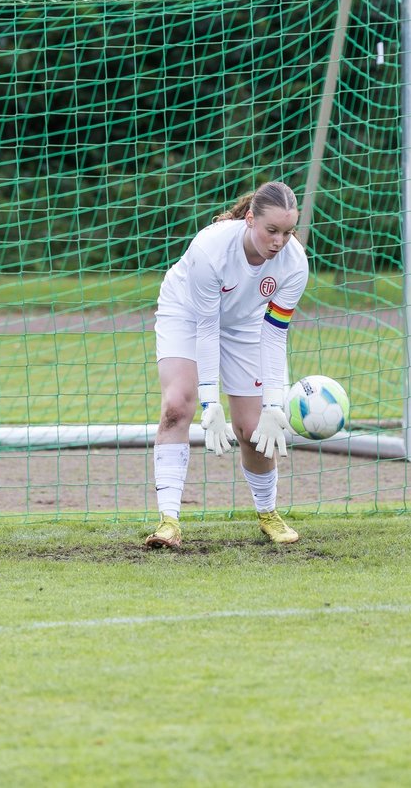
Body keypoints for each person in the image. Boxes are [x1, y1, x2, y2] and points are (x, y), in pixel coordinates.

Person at [145, 180, 309, 549]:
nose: (279, 242)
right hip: (186, 314)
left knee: (254, 429)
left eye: (287, 232)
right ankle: (168, 522)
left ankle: (268, 514)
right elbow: (206, 327)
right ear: (250, 219)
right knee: (176, 406)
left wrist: (272, 403)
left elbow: (274, 334)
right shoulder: (211, 248)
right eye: (271, 230)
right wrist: (209, 402)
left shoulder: (295, 263)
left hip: (245, 324)